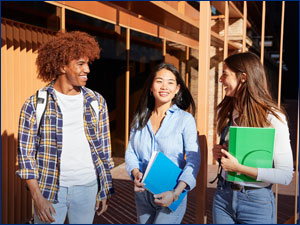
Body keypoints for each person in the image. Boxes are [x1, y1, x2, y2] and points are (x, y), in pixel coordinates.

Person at [16, 31, 114, 224]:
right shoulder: (35, 104)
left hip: (88, 187)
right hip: (50, 190)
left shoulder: (97, 101)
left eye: (88, 63)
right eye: (80, 64)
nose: (87, 69)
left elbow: (104, 150)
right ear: (62, 66)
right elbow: (26, 157)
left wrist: (105, 189)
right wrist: (37, 197)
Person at [212, 52, 294, 224]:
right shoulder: (227, 111)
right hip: (223, 197)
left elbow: (285, 175)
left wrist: (239, 168)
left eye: (225, 74)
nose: (220, 79)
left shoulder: (273, 118)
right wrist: (220, 152)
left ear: (243, 77)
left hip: (256, 203)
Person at [125, 63, 201, 224]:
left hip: (171, 190)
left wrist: (176, 193)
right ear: (151, 87)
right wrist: (135, 172)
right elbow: (131, 151)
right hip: (143, 192)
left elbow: (194, 160)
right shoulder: (139, 117)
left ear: (177, 89)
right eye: (159, 81)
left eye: (170, 82)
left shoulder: (185, 120)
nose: (164, 86)